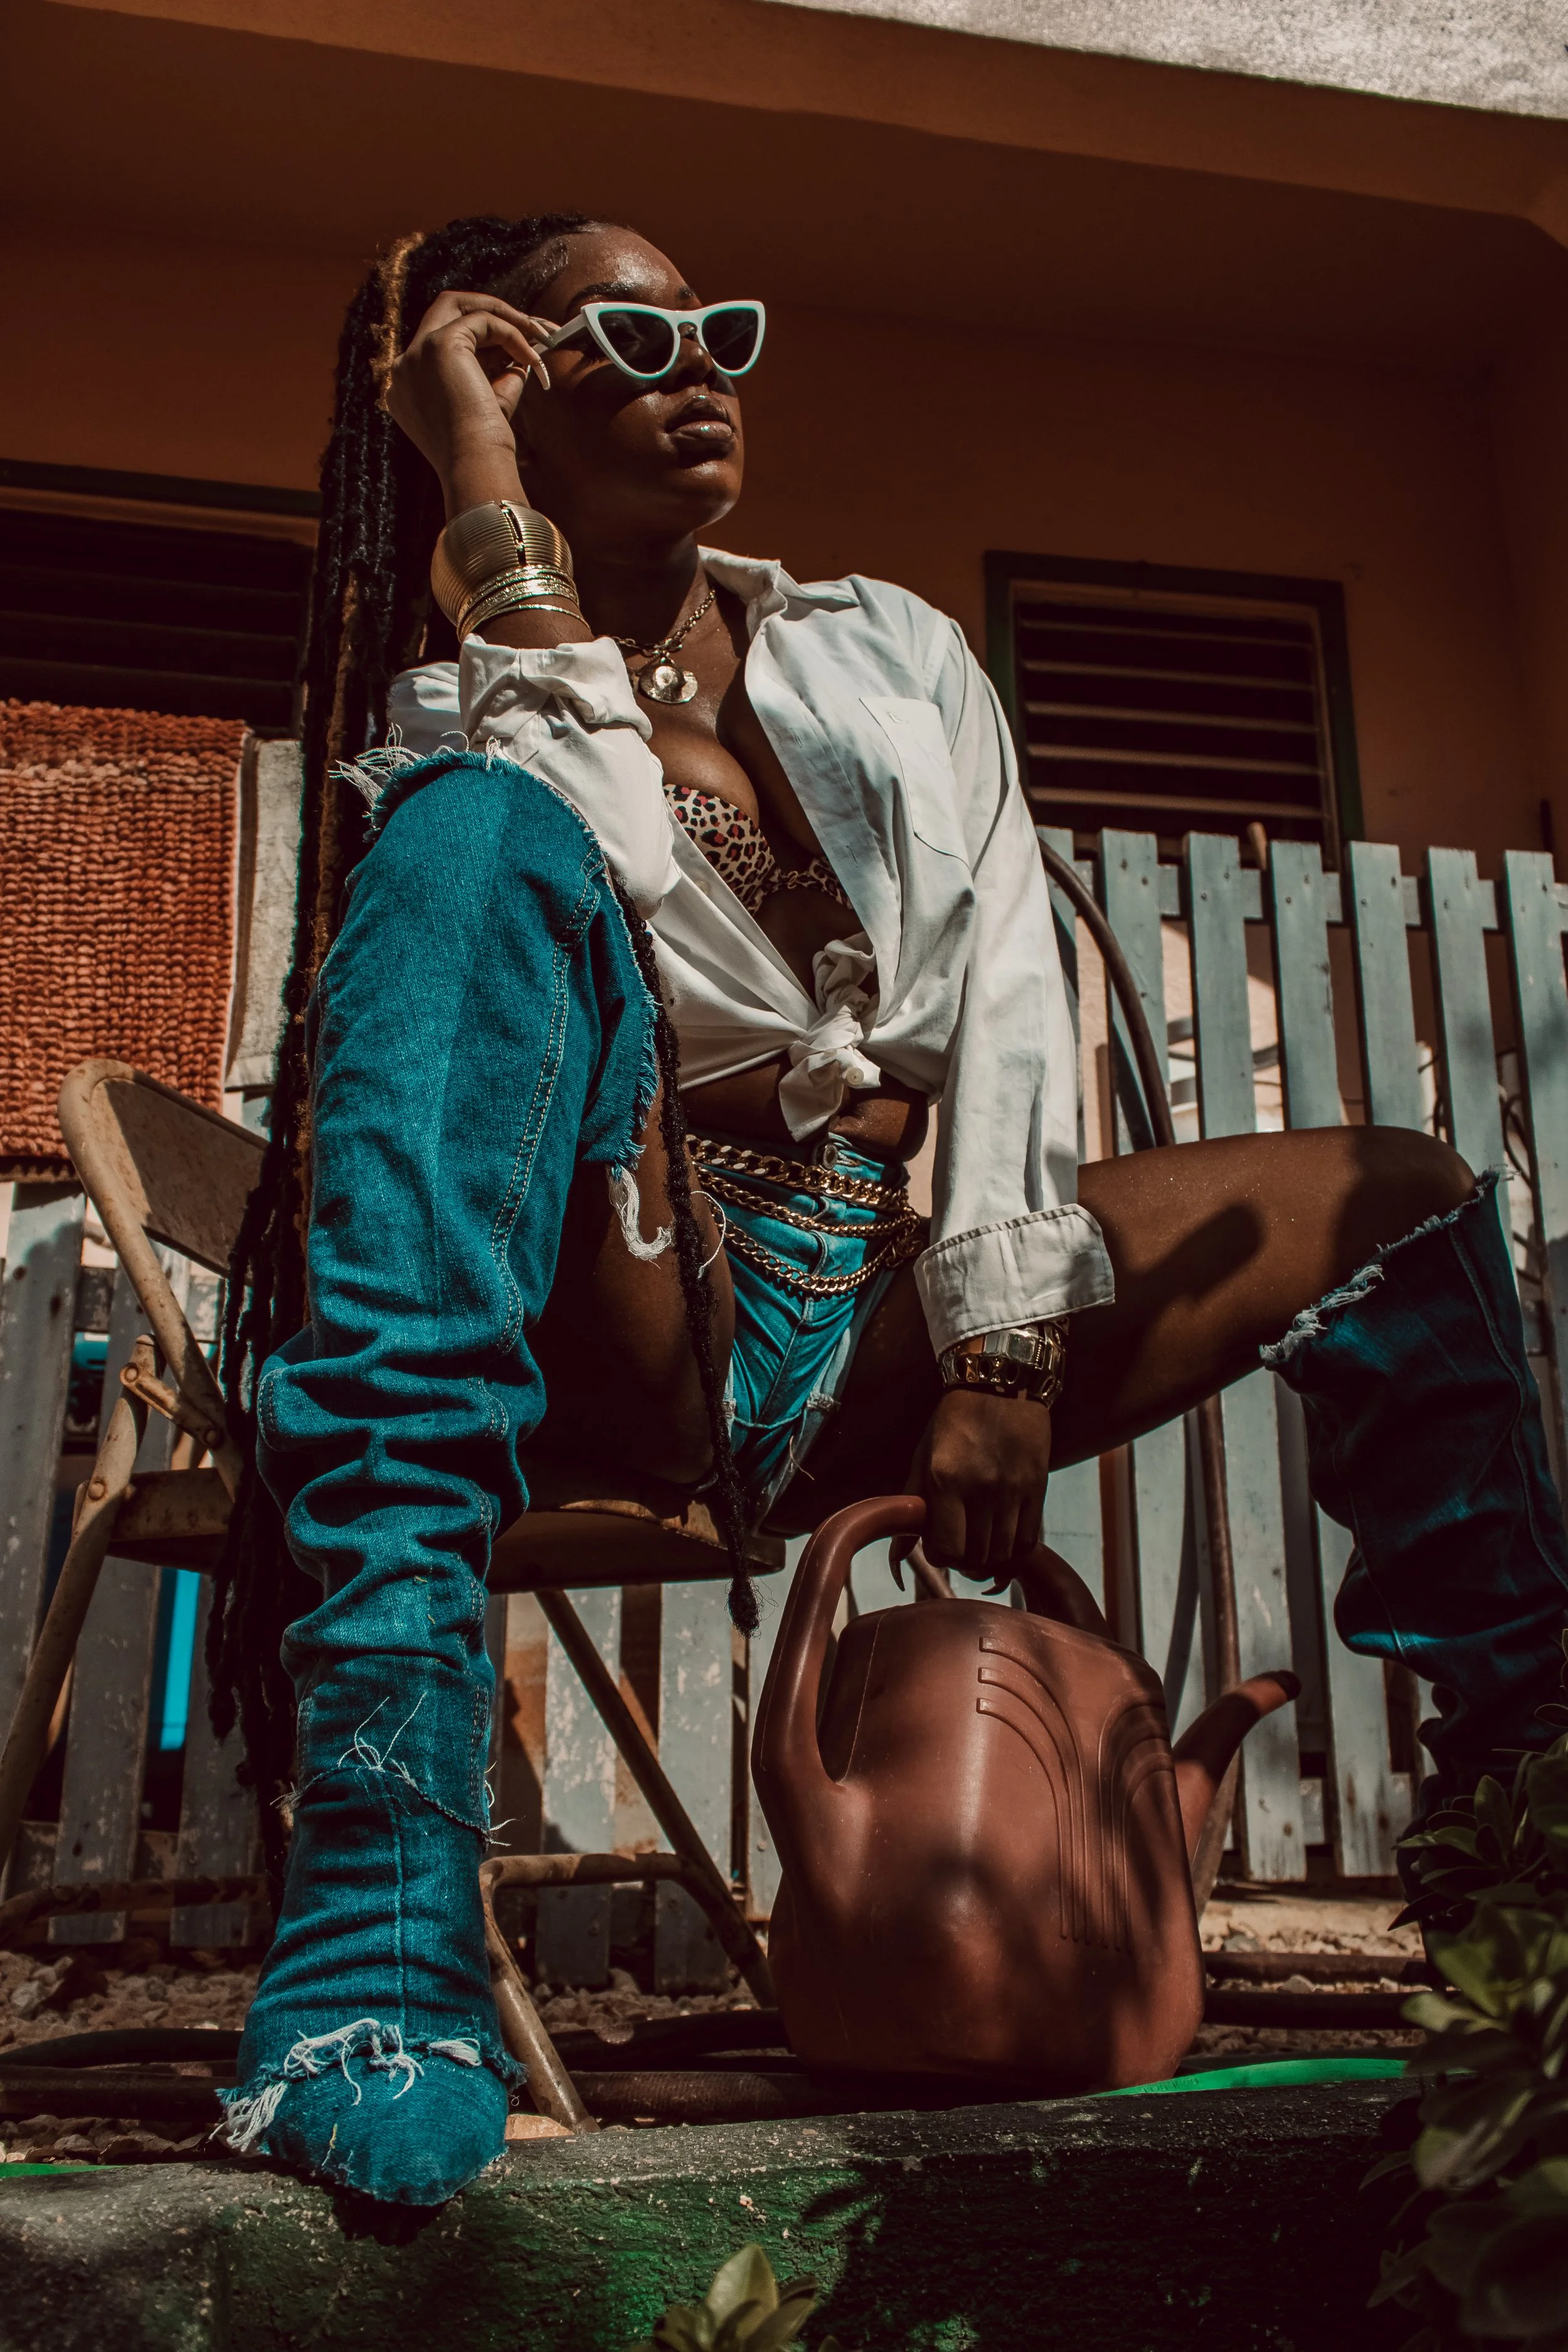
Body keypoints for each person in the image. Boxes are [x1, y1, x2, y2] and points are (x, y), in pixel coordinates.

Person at [211, 213, 1568, 2203]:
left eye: (720, 332)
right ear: (498, 379)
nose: (700, 368)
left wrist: (1000, 1347)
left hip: (869, 1298)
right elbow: (597, 847)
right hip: (617, 1293)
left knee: (1400, 1198)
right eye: (630, 341)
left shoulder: (884, 648)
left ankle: (1523, 1867)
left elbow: (1006, 971)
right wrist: (483, 494)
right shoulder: (458, 697)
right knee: (477, 835)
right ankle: (376, 1933)